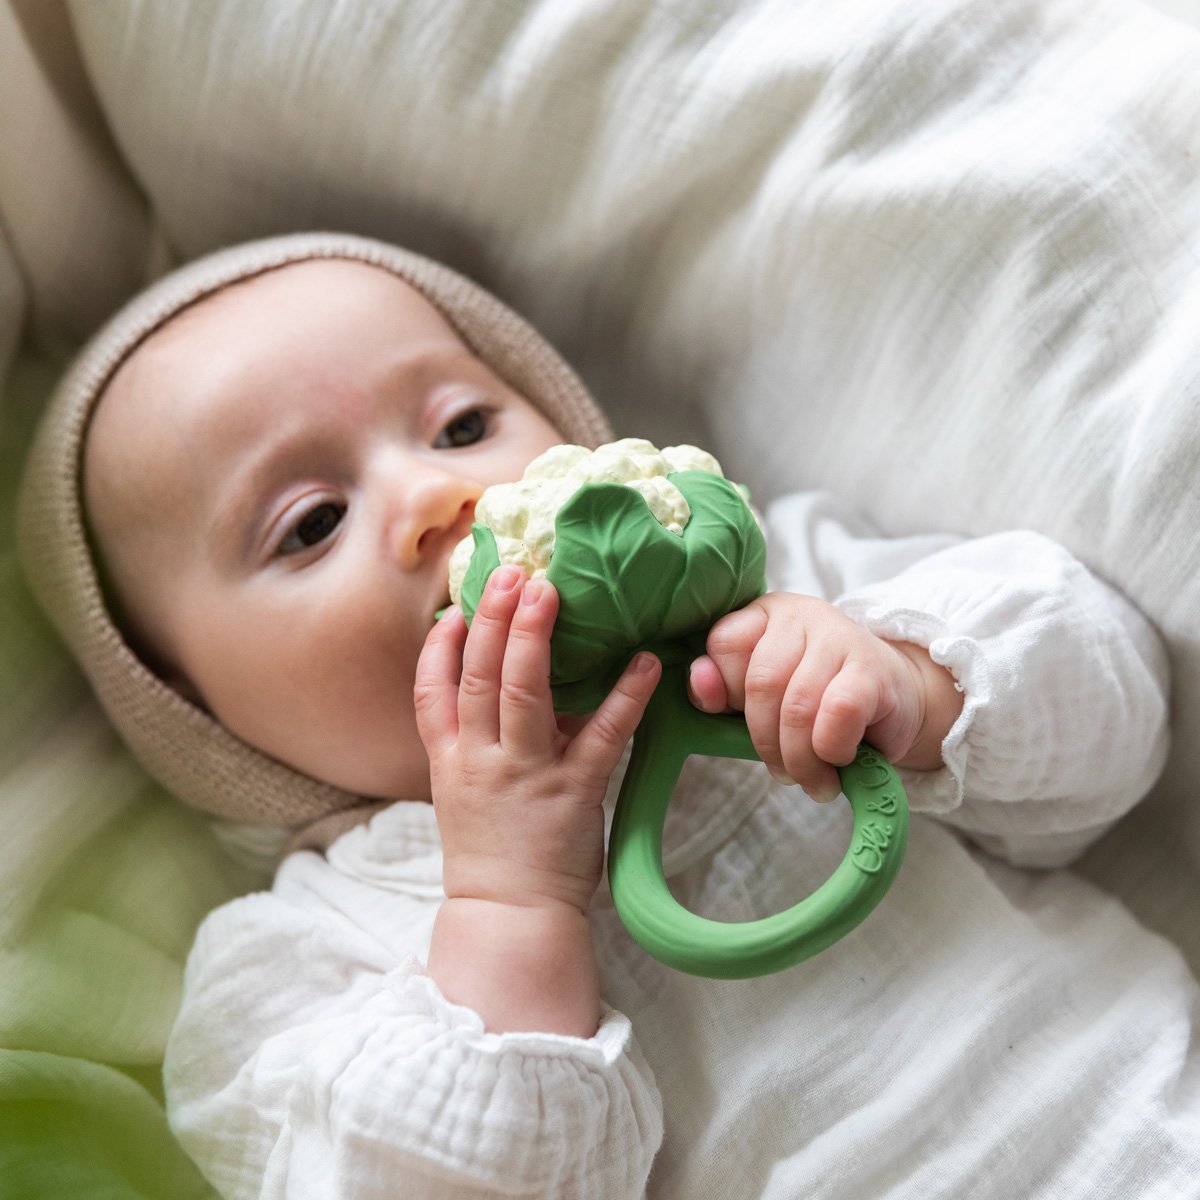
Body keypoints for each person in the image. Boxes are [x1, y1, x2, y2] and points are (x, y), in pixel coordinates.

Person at [18, 233, 1197, 1199]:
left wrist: (908, 685)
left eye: (465, 426)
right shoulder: (300, 962)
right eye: (312, 522)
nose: (440, 496)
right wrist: (509, 910)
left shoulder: (798, 600)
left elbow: (1124, 721)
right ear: (196, 714)